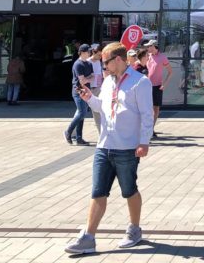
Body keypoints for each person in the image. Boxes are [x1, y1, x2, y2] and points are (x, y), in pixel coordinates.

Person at [64, 42, 153, 255]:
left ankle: (134, 229)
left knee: (129, 190)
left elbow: (147, 115)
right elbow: (102, 107)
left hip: (127, 147)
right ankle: (88, 237)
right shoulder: (107, 82)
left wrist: (144, 142)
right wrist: (89, 99)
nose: (103, 67)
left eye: (106, 62)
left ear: (119, 60)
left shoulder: (140, 82)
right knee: (98, 192)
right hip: (104, 146)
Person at [65, 45, 95, 146]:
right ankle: (68, 131)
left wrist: (88, 79)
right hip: (78, 92)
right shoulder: (78, 64)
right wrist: (88, 79)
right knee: (82, 113)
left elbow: (93, 77)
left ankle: (79, 138)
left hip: (86, 92)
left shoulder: (89, 64)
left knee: (82, 115)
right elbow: (82, 81)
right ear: (82, 52)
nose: (90, 53)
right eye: (88, 51)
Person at [143, 39, 172, 140]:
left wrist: (164, 84)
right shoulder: (147, 56)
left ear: (154, 46)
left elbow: (170, 72)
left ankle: (151, 128)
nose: (147, 48)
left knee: (155, 109)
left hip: (157, 86)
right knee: (147, 108)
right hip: (146, 86)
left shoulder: (162, 57)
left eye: (149, 46)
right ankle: (147, 128)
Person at [89, 44, 104, 134]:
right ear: (93, 52)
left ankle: (101, 133)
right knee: (81, 113)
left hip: (98, 88)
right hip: (90, 89)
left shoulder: (99, 62)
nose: (100, 57)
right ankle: (72, 132)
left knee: (98, 112)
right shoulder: (87, 62)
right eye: (98, 55)